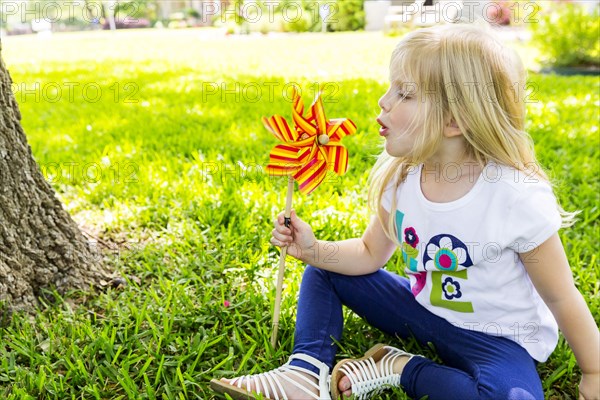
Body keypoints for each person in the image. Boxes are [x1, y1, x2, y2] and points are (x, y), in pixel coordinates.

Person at [210, 21, 600, 400]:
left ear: (453, 120)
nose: (383, 101)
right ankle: (305, 371)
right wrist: (313, 250)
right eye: (390, 88)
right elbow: (368, 254)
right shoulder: (401, 179)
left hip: (497, 338)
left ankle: (396, 366)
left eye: (405, 94)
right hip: (422, 310)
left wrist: (595, 370)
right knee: (325, 271)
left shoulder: (514, 198)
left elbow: (562, 297)